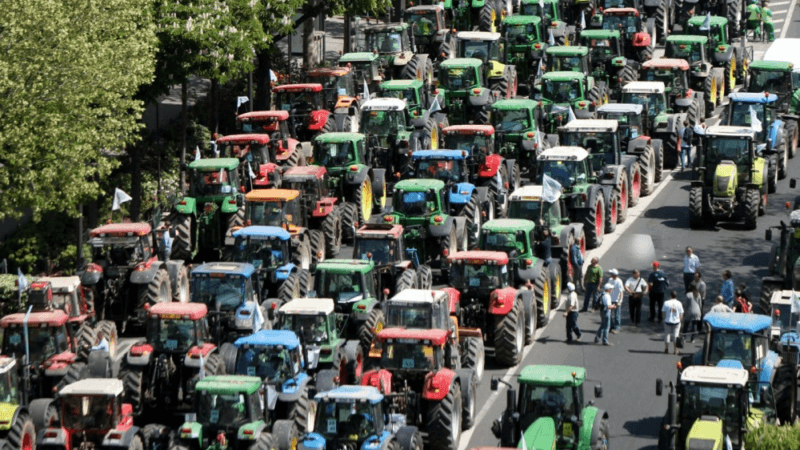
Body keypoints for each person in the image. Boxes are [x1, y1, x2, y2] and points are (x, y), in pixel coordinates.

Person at [662, 291, 684, 355]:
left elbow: (663, 312)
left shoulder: (666, 303)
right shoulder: (679, 303)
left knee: (667, 335)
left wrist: (664, 318)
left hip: (668, 321)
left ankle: (666, 348)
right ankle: (675, 350)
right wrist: (680, 320)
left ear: (670, 295)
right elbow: (681, 313)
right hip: (676, 321)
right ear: (676, 296)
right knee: (676, 336)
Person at [608, 268, 625, 333]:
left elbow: (621, 292)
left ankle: (616, 328)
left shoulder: (619, 281)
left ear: (614, 275)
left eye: (611, 273)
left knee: (617, 315)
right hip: (610, 300)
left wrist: (620, 301)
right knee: (610, 315)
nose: (610, 274)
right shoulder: (610, 279)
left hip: (616, 301)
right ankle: (611, 326)